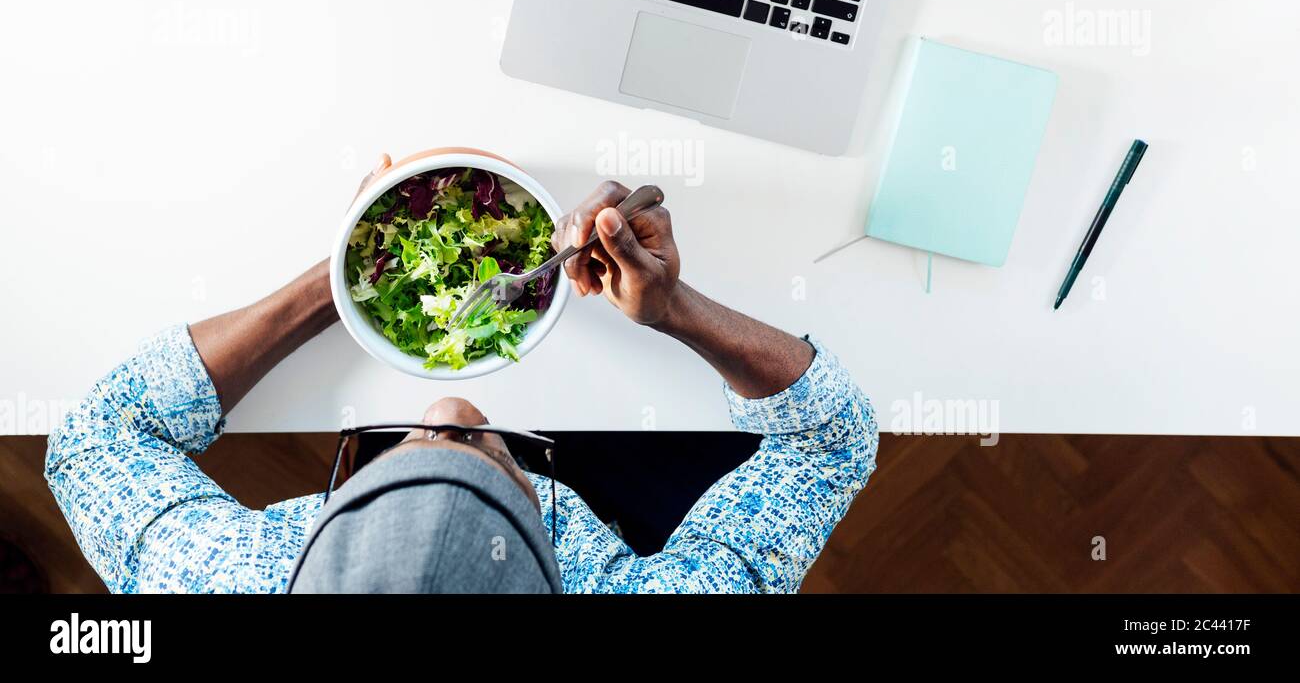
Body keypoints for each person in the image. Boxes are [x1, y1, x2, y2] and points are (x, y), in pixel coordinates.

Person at [46, 168, 879, 593]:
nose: (449, 406)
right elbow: (832, 444)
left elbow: (96, 441)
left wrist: (345, 274)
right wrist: (678, 314)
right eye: (487, 458)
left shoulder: (220, 574)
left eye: (399, 457)